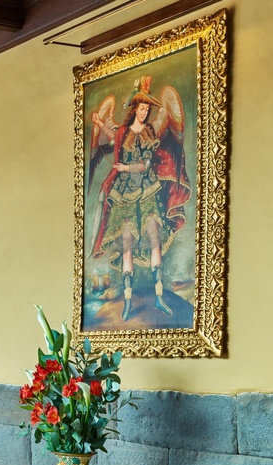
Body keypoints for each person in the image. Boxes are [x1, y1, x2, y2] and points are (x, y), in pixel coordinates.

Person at [88, 76, 191, 321]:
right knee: (127, 246)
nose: (145, 112)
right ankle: (126, 301)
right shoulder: (124, 132)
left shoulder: (150, 132)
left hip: (148, 191)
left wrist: (125, 169)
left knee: (154, 240)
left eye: (147, 109)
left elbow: (145, 166)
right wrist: (100, 122)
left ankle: (159, 297)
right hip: (123, 195)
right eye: (142, 108)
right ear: (135, 109)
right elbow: (112, 138)